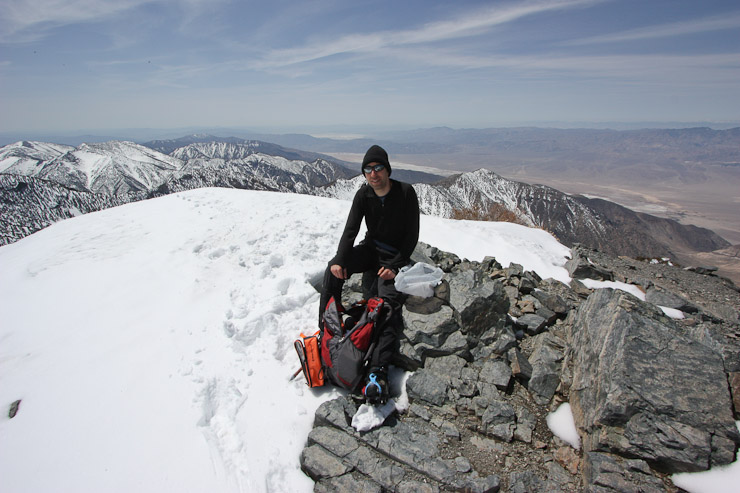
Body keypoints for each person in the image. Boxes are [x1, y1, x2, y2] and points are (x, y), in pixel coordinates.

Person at [319, 144, 420, 404]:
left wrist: (396, 265)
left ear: (387, 170)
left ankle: (377, 372)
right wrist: (340, 260)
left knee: (386, 306)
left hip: (394, 256)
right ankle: (326, 331)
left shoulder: (406, 193)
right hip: (371, 249)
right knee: (332, 271)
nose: (373, 174)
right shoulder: (363, 195)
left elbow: (412, 236)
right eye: (368, 169)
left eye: (378, 168)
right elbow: (350, 230)